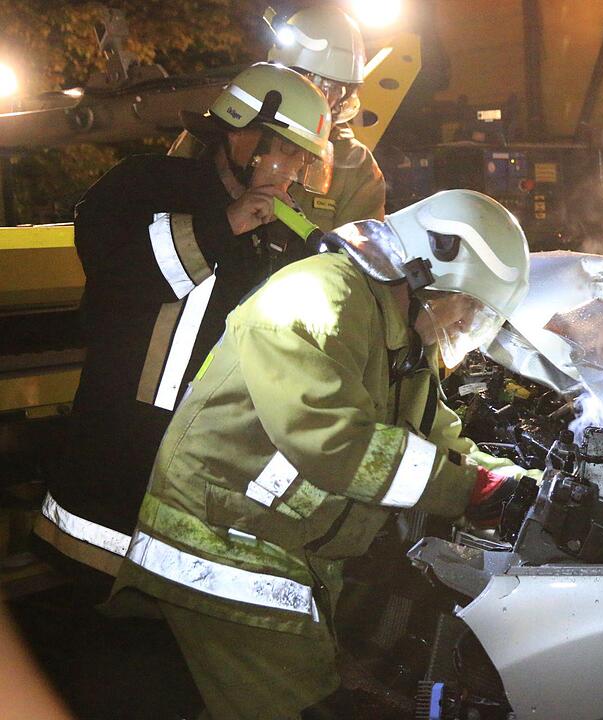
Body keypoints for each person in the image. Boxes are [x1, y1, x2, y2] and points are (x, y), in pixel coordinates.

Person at [109, 189, 533, 719]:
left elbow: (436, 437)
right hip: (222, 552)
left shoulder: (400, 334)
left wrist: (525, 485)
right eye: (470, 307)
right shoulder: (320, 298)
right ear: (426, 273)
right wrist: (470, 491)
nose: (467, 328)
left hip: (283, 556)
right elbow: (333, 440)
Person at [35, 63, 334, 581]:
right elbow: (123, 271)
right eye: (287, 151)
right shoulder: (145, 184)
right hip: (113, 466)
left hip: (202, 472)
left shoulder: (278, 237)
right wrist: (229, 222)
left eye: (304, 159)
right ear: (243, 138)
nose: (295, 172)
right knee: (79, 622)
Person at [170, 4, 385, 234]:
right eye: (311, 80)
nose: (322, 96)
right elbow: (164, 216)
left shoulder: (356, 165)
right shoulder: (216, 131)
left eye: (335, 88)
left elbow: (359, 259)